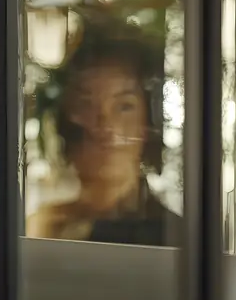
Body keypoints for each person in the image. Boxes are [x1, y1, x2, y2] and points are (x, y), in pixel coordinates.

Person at [27, 19, 180, 246]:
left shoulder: (178, 240)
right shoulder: (43, 227)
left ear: (147, 122)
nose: (104, 125)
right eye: (87, 104)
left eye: (123, 106)